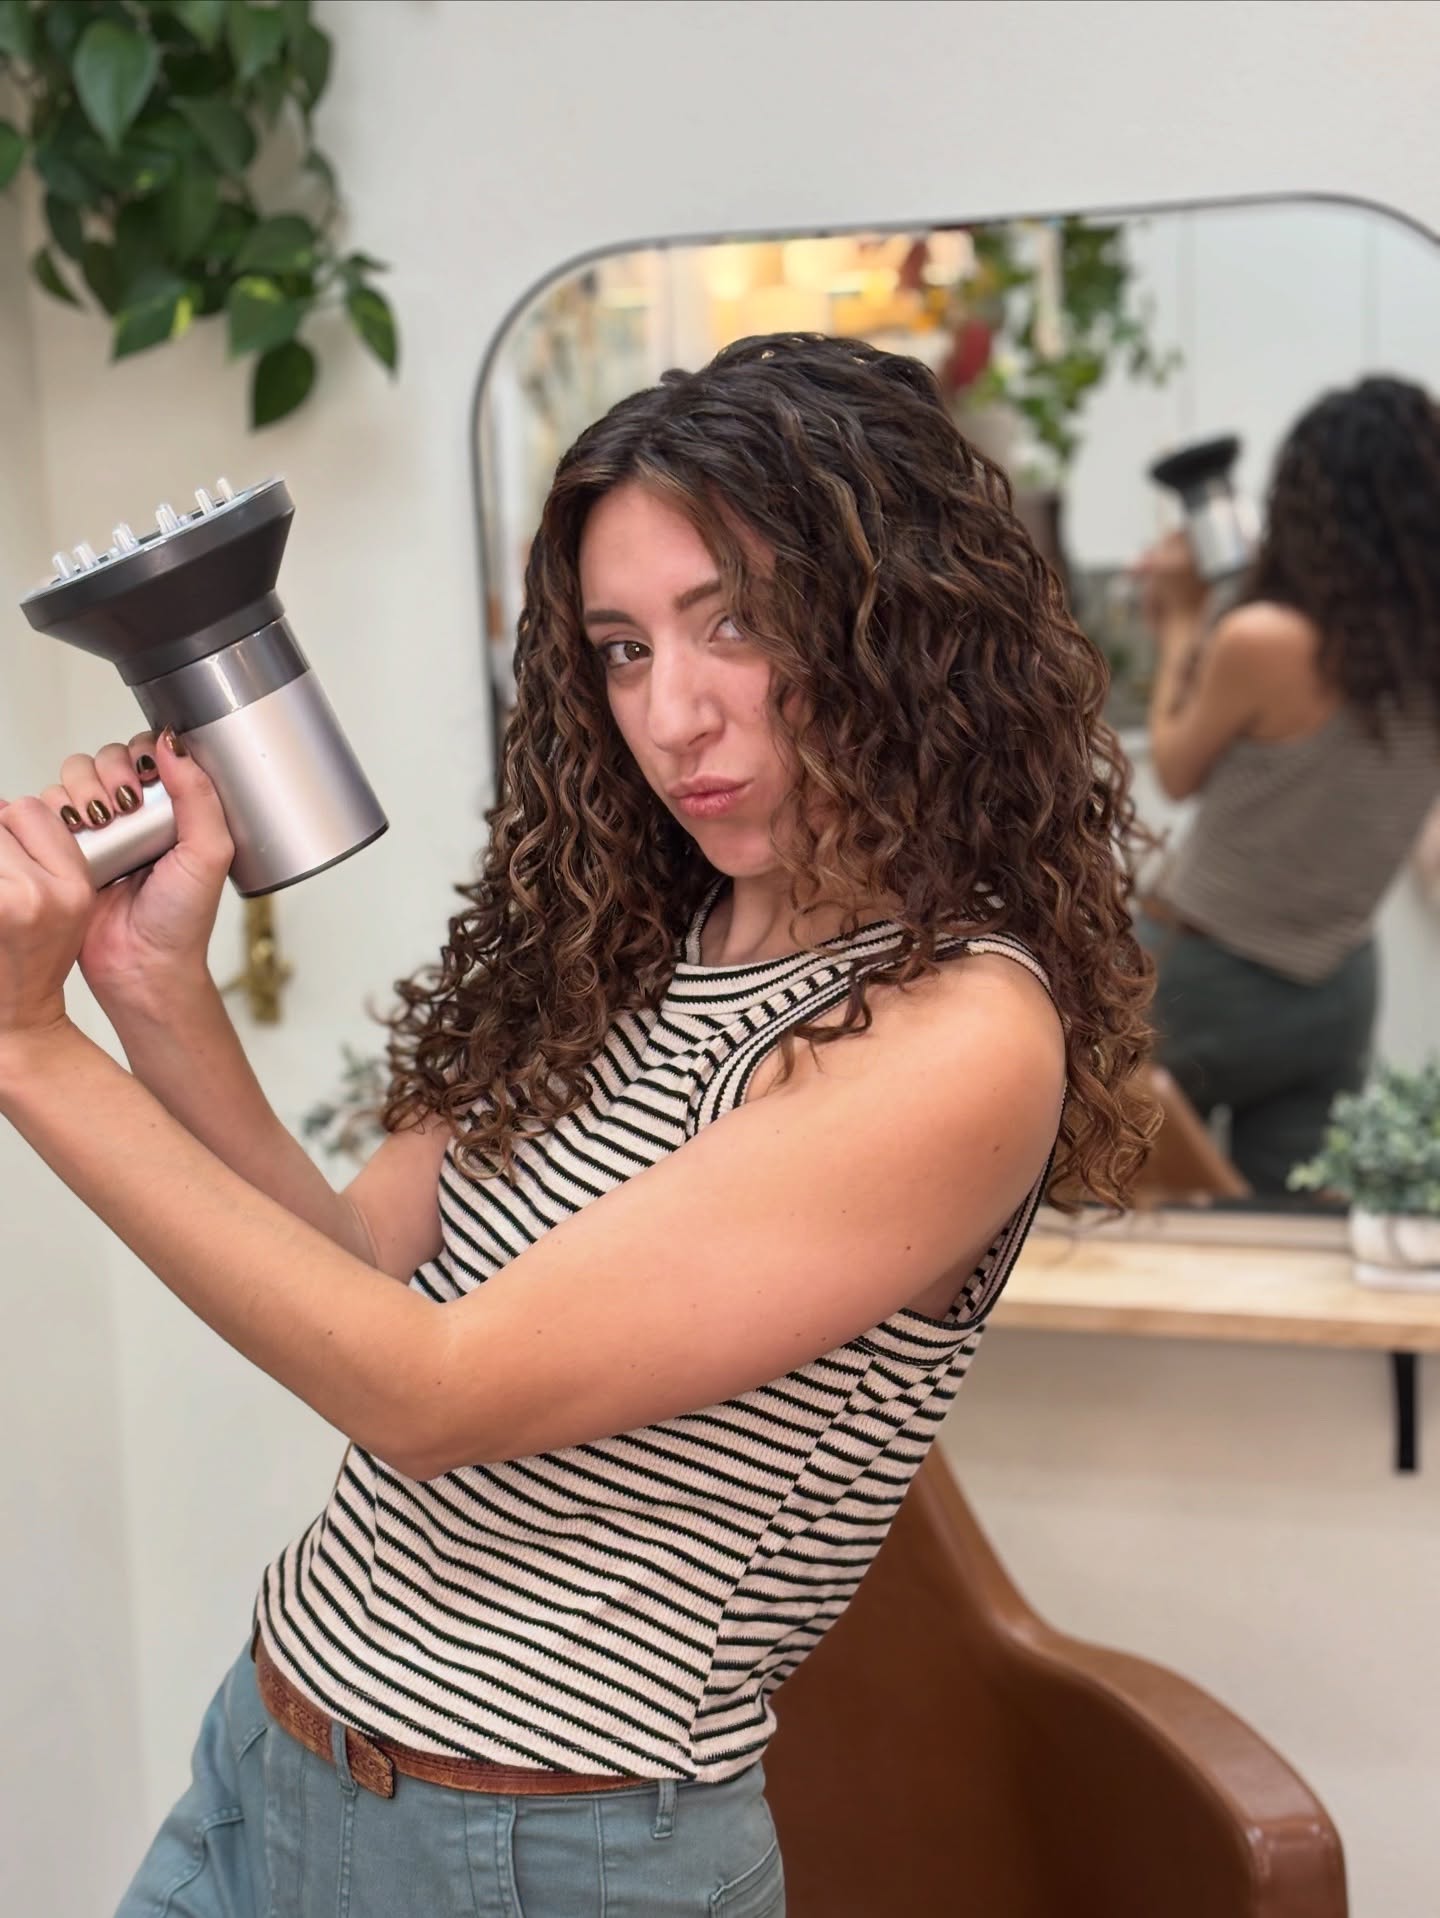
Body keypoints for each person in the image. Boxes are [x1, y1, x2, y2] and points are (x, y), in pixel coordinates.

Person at [0, 332, 1156, 1917]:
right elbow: (355, 1263)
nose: (672, 712)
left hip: (541, 1857)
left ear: (904, 626)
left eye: (734, 623)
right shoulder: (622, 950)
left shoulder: (954, 1036)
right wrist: (144, 990)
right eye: (620, 648)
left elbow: (426, 1392)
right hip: (270, 1758)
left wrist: (24, 1052)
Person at [1133, 376, 1440, 1198]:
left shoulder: (1265, 638)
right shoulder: (1424, 660)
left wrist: (1177, 625)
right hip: (1337, 988)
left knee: (1134, 1192)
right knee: (1291, 1232)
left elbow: (1173, 767)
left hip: (1201, 977)